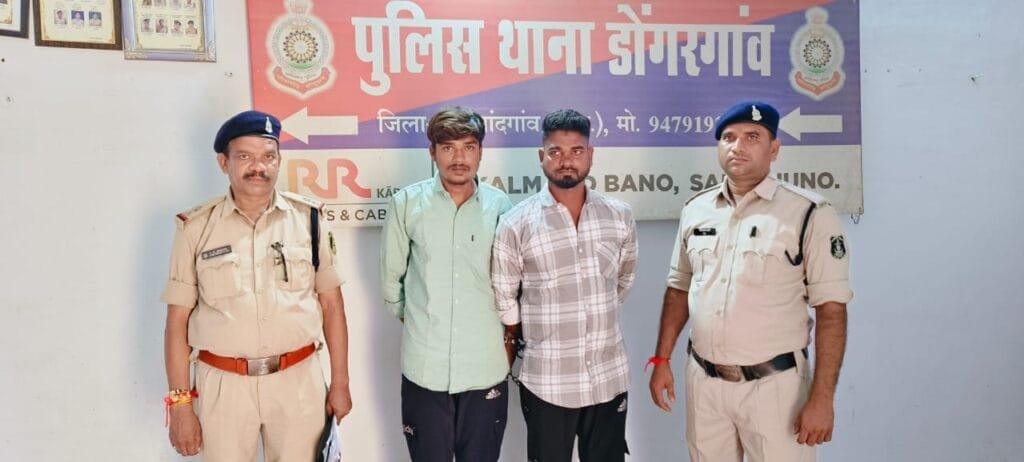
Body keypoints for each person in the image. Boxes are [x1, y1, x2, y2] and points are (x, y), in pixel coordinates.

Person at [648, 100, 852, 461]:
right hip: (705, 385)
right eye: (729, 137)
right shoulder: (696, 209)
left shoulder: (808, 213)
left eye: (752, 137)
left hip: (775, 389)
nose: (737, 146)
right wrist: (661, 359)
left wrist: (822, 399)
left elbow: (832, 311)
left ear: (774, 149)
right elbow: (679, 289)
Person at [161, 110, 352, 461]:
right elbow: (177, 322)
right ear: (224, 163)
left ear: (279, 160)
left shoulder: (308, 219)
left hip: (298, 381)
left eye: (268, 157)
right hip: (223, 386)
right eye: (245, 157)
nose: (258, 167)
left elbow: (332, 305)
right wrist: (180, 403)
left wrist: (340, 382)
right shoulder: (195, 228)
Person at [492, 109, 637, 462]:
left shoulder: (619, 215)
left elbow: (623, 282)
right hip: (548, 381)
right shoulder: (516, 223)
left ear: (591, 155)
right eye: (555, 151)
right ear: (541, 156)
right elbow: (505, 298)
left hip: (608, 377)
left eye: (576, 151)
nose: (566, 161)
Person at [379, 107, 513, 462]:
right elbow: (392, 283)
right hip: (425, 369)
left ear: (480, 152)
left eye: (468, 147)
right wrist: (423, 320)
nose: (459, 158)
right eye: (448, 147)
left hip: (484, 369)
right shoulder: (406, 204)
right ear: (432, 152)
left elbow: (512, 284)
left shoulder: (501, 207)